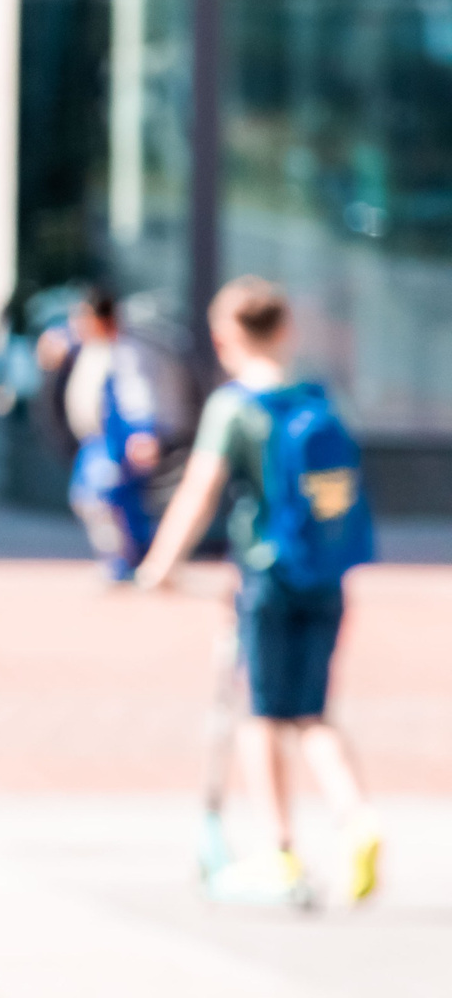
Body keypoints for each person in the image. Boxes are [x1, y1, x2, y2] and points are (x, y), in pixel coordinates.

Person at [137, 277, 381, 904]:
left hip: (267, 579)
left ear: (225, 338)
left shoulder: (235, 407)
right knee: (314, 712)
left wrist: (161, 565)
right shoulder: (320, 399)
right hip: (325, 577)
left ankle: (279, 851)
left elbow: (199, 492)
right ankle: (357, 820)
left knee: (262, 714)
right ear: (286, 330)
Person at [38, 286, 170, 581]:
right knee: (94, 500)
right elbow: (60, 341)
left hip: (117, 441)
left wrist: (142, 433)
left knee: (110, 501)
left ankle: (131, 563)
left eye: (83, 317)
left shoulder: (123, 353)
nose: (77, 324)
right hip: (94, 441)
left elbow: (137, 397)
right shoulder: (89, 346)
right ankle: (123, 561)